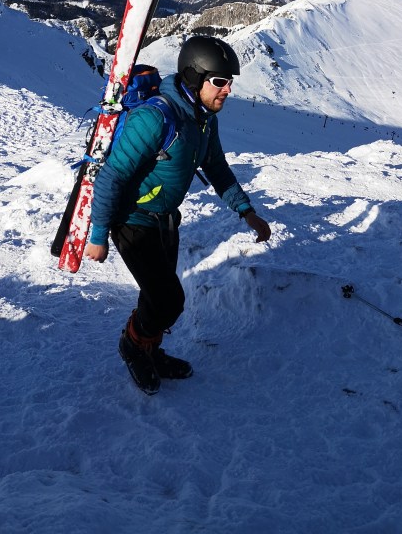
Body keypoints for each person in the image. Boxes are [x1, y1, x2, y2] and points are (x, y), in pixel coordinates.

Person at [86, 35, 271, 394]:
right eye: (220, 81)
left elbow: (215, 166)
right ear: (194, 77)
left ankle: (149, 350)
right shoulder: (155, 118)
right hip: (133, 220)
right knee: (169, 301)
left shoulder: (203, 119)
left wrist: (246, 211)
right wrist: (98, 236)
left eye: (230, 82)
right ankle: (132, 344)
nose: (228, 89)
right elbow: (112, 176)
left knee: (155, 295)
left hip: (166, 219)